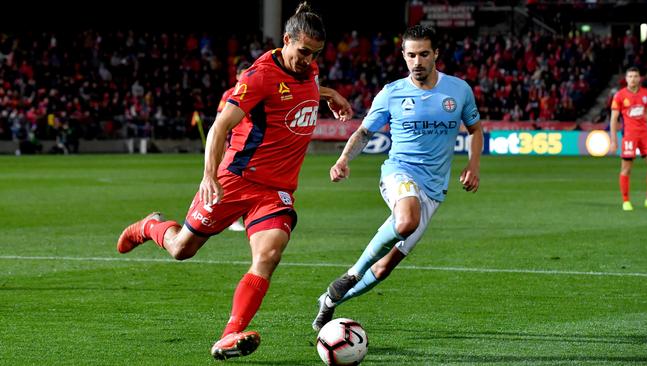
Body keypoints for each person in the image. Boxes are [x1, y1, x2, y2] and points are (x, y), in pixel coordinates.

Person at [116, 2, 353, 360]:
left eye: (315, 53)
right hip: (236, 179)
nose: (308, 59)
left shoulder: (309, 70)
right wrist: (209, 175)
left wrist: (329, 94)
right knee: (182, 249)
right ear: (286, 40)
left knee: (268, 255)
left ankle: (230, 335)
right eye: (303, 51)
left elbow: (295, 92)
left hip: (276, 191)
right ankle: (151, 226)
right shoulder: (258, 76)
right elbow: (219, 127)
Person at [312, 25, 483, 331]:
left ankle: (329, 300)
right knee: (406, 220)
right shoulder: (391, 93)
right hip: (399, 172)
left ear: (436, 55)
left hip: (434, 189)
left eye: (424, 54)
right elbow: (365, 132)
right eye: (412, 55)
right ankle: (350, 274)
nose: (418, 61)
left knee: (384, 267)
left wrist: (473, 165)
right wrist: (343, 159)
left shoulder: (459, 91)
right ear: (404, 56)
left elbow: (475, 129)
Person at [609, 66, 647, 211]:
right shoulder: (620, 96)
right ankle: (626, 200)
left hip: (646, 135)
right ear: (626, 79)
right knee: (626, 169)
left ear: (640, 78)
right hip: (629, 136)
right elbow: (614, 119)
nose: (633, 79)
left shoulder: (646, 94)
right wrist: (613, 140)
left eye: (635, 76)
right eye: (630, 76)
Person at [217, 60, 251, 232]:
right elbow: (219, 121)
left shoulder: (254, 91)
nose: (246, 76)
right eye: (243, 73)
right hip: (229, 144)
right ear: (237, 75)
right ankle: (228, 218)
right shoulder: (229, 94)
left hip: (244, 146)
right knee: (228, 180)